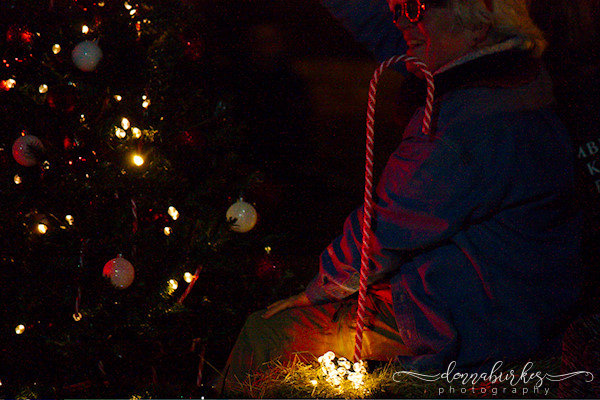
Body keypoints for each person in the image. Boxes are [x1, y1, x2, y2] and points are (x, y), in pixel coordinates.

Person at [219, 0, 582, 393]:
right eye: (397, 7)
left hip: (472, 318)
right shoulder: (512, 83)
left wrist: (318, 289)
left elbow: (384, 229)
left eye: (416, 7)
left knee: (268, 333)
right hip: (507, 302)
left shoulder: (466, 122)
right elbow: (377, 22)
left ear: (477, 22)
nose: (402, 20)